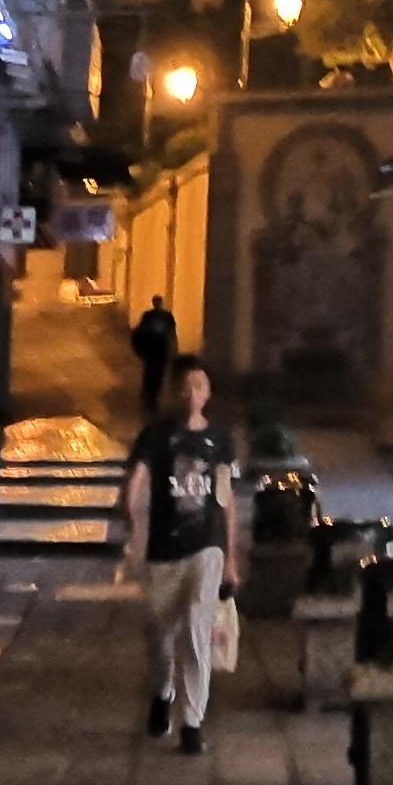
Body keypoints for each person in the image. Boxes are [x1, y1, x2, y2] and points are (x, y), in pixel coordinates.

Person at [120, 354, 241, 753]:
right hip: (164, 551)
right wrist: (131, 512)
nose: (192, 394)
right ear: (174, 392)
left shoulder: (220, 440)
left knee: (196, 629)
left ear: (208, 393)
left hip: (206, 546)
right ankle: (162, 692)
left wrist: (231, 556)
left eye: (199, 386)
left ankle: (192, 722)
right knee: (159, 635)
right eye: (185, 386)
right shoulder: (156, 436)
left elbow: (226, 498)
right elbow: (138, 477)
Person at [130, 295, 180, 413]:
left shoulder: (165, 316)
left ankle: (152, 398)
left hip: (160, 348)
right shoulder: (150, 316)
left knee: (157, 375)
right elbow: (141, 330)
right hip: (152, 348)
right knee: (151, 374)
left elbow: (172, 332)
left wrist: (174, 346)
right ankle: (149, 398)